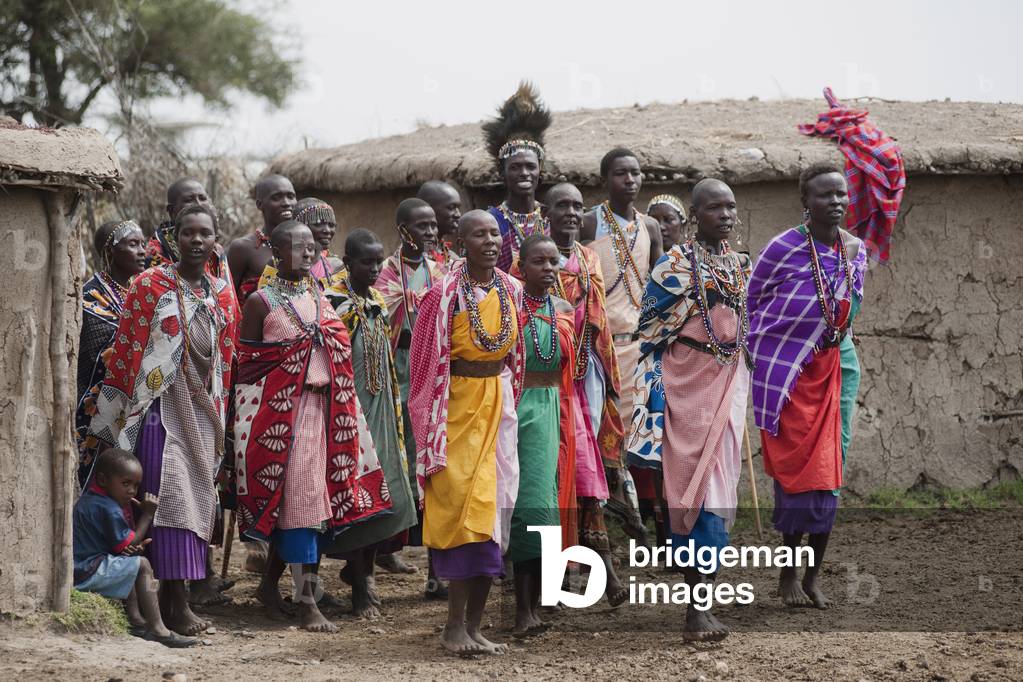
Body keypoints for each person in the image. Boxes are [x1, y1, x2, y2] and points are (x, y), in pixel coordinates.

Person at [234, 220, 392, 630]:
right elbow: (249, 368)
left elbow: (335, 345)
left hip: (329, 412)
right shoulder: (260, 303)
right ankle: (306, 605)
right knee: (302, 507)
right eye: (297, 246)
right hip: (284, 415)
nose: (308, 253)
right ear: (275, 251)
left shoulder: (319, 296)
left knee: (311, 507)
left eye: (311, 247)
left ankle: (270, 588)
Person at [89, 204, 237, 637]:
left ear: (214, 240)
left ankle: (182, 598)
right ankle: (171, 605)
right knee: (165, 497)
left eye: (204, 234)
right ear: (173, 238)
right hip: (158, 412)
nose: (196, 240)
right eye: (187, 233)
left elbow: (225, 360)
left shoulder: (220, 293)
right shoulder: (149, 285)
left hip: (203, 413)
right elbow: (127, 352)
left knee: (195, 500)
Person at [628, 178, 752, 641]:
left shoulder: (739, 264)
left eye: (731, 207)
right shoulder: (674, 265)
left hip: (726, 385)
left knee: (717, 490)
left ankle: (702, 601)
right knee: (692, 492)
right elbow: (650, 329)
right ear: (695, 216)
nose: (725, 215)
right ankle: (695, 609)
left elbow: (745, 325)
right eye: (714, 208)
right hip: (687, 388)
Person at [747, 162, 867, 609]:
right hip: (788, 371)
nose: (835, 202)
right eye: (824, 195)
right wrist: (767, 350)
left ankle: (814, 576)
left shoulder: (855, 249)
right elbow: (752, 303)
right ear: (805, 202)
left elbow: (849, 307)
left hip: (837, 364)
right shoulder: (782, 248)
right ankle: (788, 573)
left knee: (829, 472)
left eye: (840, 194)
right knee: (797, 475)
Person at [409, 210, 525, 656]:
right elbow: (421, 369)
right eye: (479, 234)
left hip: (499, 407)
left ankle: (474, 627)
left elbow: (515, 361)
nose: (490, 241)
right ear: (460, 241)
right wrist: (427, 427)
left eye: (495, 233)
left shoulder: (511, 289)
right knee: (463, 510)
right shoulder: (442, 295)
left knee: (494, 513)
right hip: (453, 410)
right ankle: (453, 627)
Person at [322, 229, 418, 617]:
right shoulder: (333, 303)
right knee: (358, 500)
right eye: (366, 262)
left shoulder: (377, 298)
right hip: (349, 413)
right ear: (347, 262)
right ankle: (360, 583)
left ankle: (361, 572)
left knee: (391, 497)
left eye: (379, 261)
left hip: (382, 413)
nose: (376, 268)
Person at [544, 182, 628, 606]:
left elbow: (599, 321)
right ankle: (580, 576)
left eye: (578, 206)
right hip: (553, 382)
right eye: (563, 206)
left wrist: (608, 378)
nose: (572, 213)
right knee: (569, 473)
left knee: (588, 471)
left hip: (588, 375)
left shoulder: (589, 257)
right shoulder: (535, 258)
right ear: (547, 212)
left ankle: (590, 574)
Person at [580, 148, 663, 544]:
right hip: (600, 350)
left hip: (640, 347)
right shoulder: (588, 223)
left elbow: (662, 285)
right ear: (604, 180)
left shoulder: (650, 227)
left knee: (640, 437)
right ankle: (612, 521)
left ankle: (645, 522)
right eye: (620, 173)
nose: (629, 180)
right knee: (602, 436)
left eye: (635, 173)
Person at [374, 197, 447, 588]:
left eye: (434, 225)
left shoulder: (442, 272)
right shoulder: (383, 272)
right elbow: (381, 311)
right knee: (395, 461)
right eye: (423, 226)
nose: (432, 233)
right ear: (403, 230)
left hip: (434, 374)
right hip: (395, 371)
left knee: (433, 461)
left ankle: (438, 568)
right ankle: (386, 549)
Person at [507, 234, 575, 635]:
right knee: (524, 506)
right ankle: (519, 611)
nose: (548, 268)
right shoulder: (508, 307)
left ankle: (532, 608)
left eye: (554, 261)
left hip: (552, 409)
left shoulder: (564, 308)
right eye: (539, 261)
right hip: (514, 407)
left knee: (544, 506)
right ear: (521, 265)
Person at [73, 448, 196, 648]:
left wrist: (129, 550)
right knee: (143, 565)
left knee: (130, 563)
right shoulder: (109, 508)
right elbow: (128, 544)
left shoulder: (90, 500)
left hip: (80, 568)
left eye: (136, 486)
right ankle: (159, 629)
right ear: (103, 480)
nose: (131, 491)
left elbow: (120, 548)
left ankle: (136, 620)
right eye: (125, 484)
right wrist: (147, 516)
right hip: (86, 572)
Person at [76, 219, 146, 488]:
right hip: (92, 412)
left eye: (143, 244)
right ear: (110, 252)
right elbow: (88, 359)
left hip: (132, 407)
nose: (142, 251)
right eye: (132, 244)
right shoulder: (90, 299)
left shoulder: (139, 293)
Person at [482, 82, 552, 273]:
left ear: (540, 170)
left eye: (530, 166)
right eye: (515, 167)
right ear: (502, 172)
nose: (524, 173)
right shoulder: (490, 221)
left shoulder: (551, 218)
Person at [226, 174, 298, 304]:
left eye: (291, 196)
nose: (286, 203)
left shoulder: (301, 245)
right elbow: (228, 301)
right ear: (260, 204)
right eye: (276, 198)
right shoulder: (243, 247)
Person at [294, 197, 346, 286]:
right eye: (317, 224)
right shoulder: (282, 265)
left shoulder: (336, 267)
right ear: (299, 226)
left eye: (331, 225)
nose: (327, 230)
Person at [418, 180, 463, 266]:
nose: (458, 214)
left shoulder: (451, 257)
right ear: (428, 209)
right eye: (451, 207)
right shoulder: (412, 258)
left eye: (458, 208)